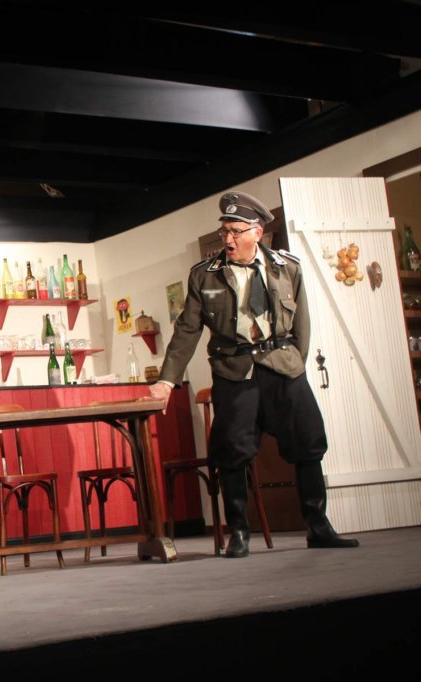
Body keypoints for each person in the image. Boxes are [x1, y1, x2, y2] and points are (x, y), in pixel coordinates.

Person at [148, 190, 359, 558]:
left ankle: (318, 526)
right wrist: (167, 380)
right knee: (232, 451)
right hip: (235, 371)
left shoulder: (287, 267)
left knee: (309, 443)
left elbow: (302, 324)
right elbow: (187, 330)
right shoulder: (205, 276)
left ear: (257, 233)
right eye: (225, 232)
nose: (228, 239)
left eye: (236, 231)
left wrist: (294, 363)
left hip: (282, 368)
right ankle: (240, 532)